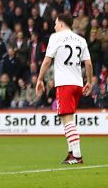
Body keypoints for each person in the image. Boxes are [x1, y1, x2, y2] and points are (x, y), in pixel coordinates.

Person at [36, 12, 92, 164]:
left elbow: (47, 61)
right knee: (66, 118)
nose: (54, 26)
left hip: (65, 84)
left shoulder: (56, 37)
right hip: (78, 84)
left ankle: (77, 155)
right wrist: (90, 82)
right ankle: (71, 152)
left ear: (61, 23)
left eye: (55, 23)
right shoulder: (81, 39)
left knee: (68, 120)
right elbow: (88, 63)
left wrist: (40, 79)